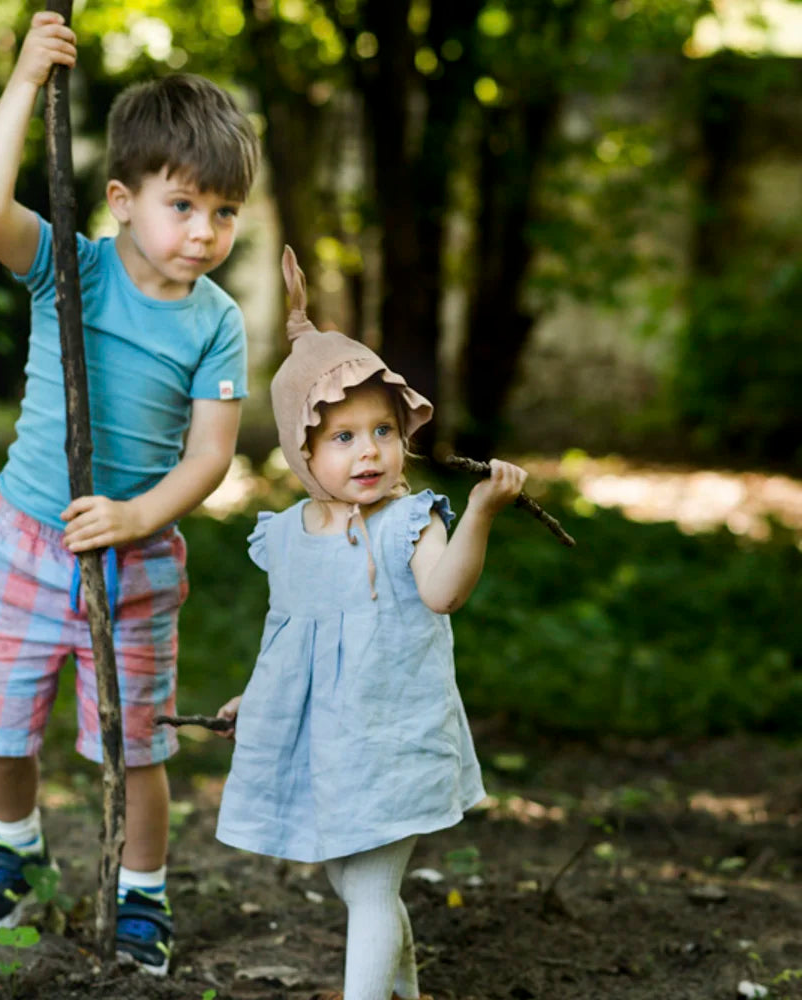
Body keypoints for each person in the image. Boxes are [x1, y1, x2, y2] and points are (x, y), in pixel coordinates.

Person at [0, 11, 260, 976]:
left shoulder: (218, 324)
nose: (206, 232)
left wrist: (138, 517)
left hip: (137, 558)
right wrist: (28, 78)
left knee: (139, 743)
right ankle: (15, 844)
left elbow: (210, 457)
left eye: (225, 213)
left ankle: (145, 893)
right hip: (27, 540)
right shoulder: (70, 271)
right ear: (121, 200)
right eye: (185, 205)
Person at [213, 246, 527, 1000]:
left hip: (392, 736)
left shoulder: (409, 522)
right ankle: (405, 990)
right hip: (324, 746)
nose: (370, 452)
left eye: (382, 431)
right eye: (344, 437)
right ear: (302, 450)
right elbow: (286, 639)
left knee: (373, 885)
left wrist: (480, 514)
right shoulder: (286, 536)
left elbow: (444, 593)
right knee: (353, 884)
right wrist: (251, 702)